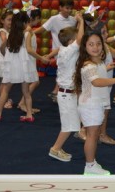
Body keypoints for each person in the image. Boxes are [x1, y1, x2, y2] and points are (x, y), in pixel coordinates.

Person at [73, 31, 115, 175]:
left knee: (94, 135)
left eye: (98, 44)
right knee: (92, 135)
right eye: (91, 44)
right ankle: (89, 166)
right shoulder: (89, 65)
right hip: (91, 105)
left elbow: (98, 74)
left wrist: (106, 68)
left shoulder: (97, 63)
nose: (95, 47)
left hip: (94, 104)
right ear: (85, 47)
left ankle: (91, 163)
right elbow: (96, 82)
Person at [48, 12, 84, 162]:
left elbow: (77, 37)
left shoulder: (65, 50)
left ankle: (58, 148)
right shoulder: (69, 51)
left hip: (68, 93)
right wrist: (81, 21)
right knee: (68, 126)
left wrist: (77, 24)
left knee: (71, 123)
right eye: (74, 40)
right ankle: (55, 149)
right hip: (66, 94)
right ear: (70, 41)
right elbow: (80, 38)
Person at [34, 0, 76, 100]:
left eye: (70, 8)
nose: (69, 10)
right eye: (66, 8)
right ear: (60, 8)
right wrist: (29, 32)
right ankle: (58, 92)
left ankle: (56, 91)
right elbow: (41, 29)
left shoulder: (73, 20)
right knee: (64, 71)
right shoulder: (54, 19)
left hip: (71, 51)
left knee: (65, 71)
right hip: (58, 51)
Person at [0, 11, 35, 122]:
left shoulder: (11, 34)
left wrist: (5, 54)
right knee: (26, 92)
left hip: (12, 65)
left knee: (5, 90)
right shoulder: (26, 33)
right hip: (23, 65)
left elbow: (3, 48)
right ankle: (29, 114)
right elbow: (28, 48)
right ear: (24, 23)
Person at [17, 6, 50, 114]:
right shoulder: (29, 30)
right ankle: (23, 104)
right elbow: (29, 49)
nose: (39, 21)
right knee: (34, 82)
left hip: (28, 60)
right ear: (34, 18)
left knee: (32, 82)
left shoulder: (27, 29)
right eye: (39, 18)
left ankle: (23, 103)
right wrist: (41, 58)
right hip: (27, 60)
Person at [0, 9, 13, 109]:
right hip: (2, 59)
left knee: (5, 81)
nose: (11, 22)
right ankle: (2, 100)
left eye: (12, 20)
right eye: (9, 20)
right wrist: (6, 40)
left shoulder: (9, 31)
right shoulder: (2, 31)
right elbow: (3, 39)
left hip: (7, 58)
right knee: (3, 82)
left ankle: (3, 98)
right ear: (2, 21)